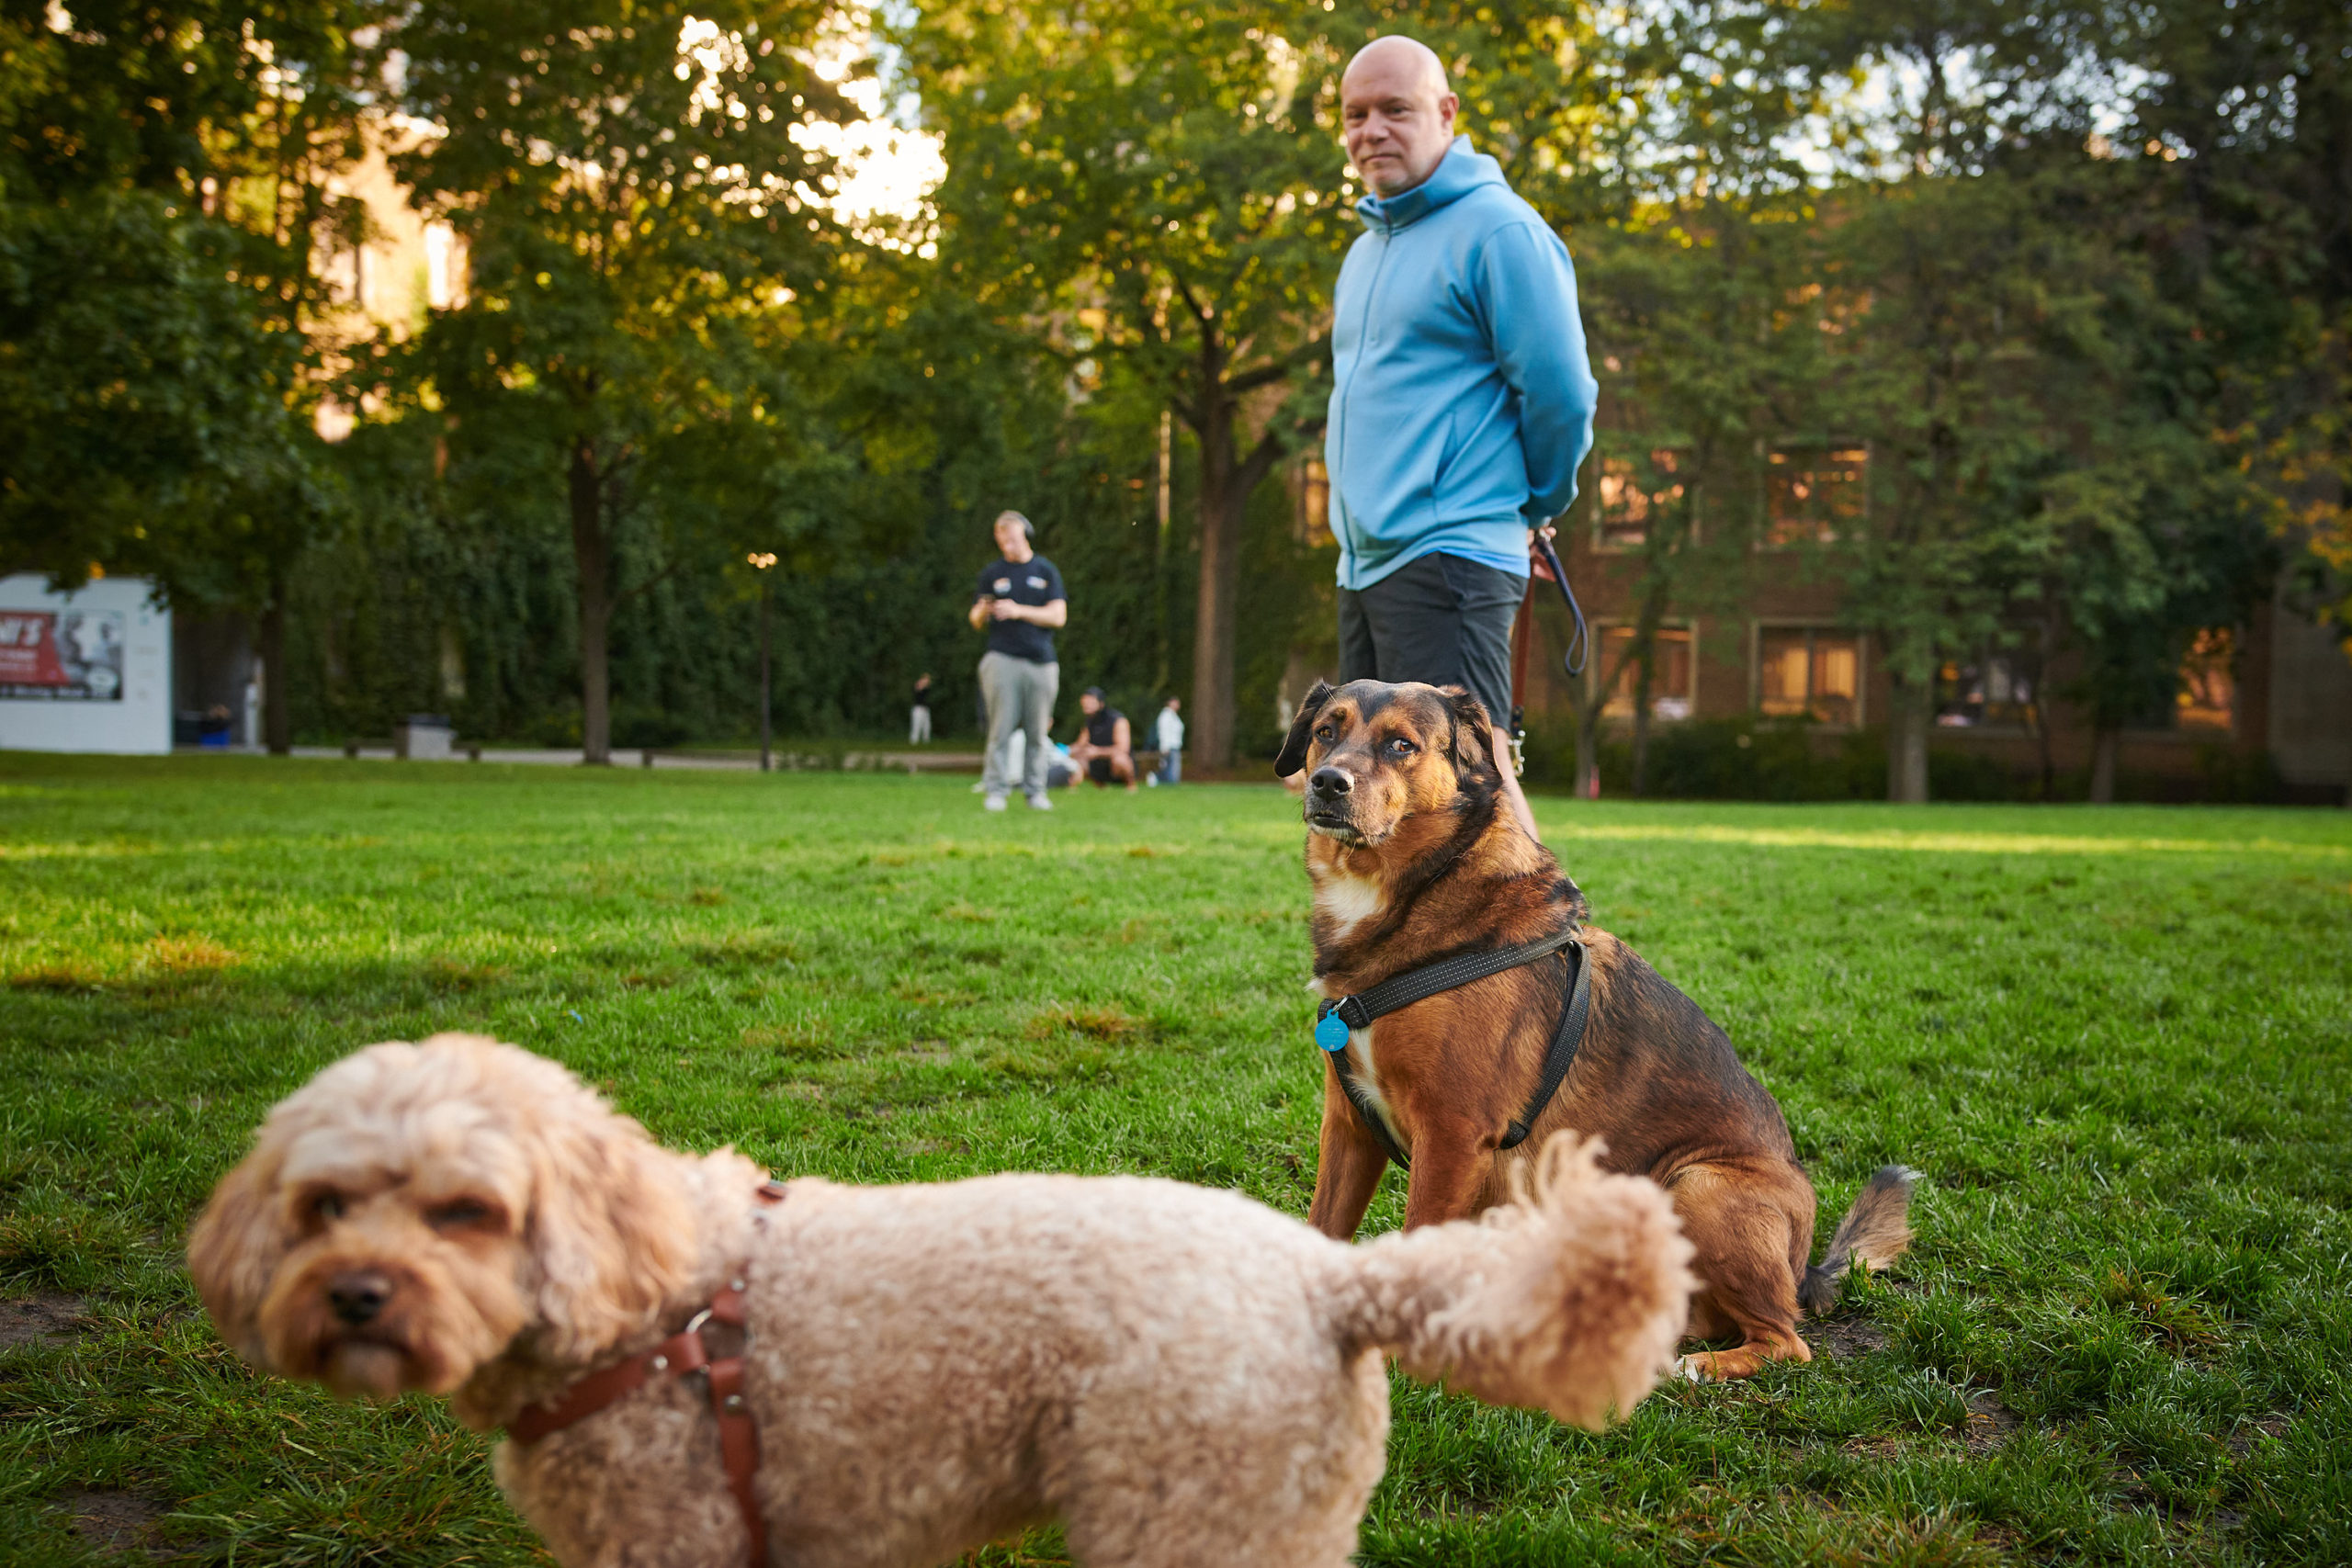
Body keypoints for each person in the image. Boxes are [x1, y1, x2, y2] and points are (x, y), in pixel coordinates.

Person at [1322, 34, 1599, 841]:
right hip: (1364, 558)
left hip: (1451, 551)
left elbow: (1560, 391)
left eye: (1394, 110)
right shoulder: (1364, 252)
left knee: (1475, 784)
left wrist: (1539, 502)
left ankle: (1546, 962)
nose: (1371, 129)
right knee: (1373, 793)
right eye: (1355, 114)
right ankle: (1397, 971)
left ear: (1446, 114)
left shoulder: (1500, 232)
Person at [968, 511, 1067, 811]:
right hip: (1002, 659)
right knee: (1001, 728)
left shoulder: (1046, 571)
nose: (1006, 544)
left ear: (1024, 533)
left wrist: (1019, 610)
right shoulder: (992, 573)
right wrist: (984, 611)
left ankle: (1035, 791)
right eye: (1000, 539)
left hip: (1041, 662)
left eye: (1010, 537)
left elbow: (1058, 616)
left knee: (1038, 732)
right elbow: (974, 619)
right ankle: (996, 790)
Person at [1066, 686, 1136, 792]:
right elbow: (1080, 745)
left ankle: (1131, 786)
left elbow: (1123, 748)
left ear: (1101, 703)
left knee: (1120, 759)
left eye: (1090, 701)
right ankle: (1095, 787)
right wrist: (1062, 751)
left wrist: (1098, 752)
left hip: (1114, 764)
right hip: (1097, 763)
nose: (1086, 704)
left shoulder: (1118, 720)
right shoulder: (1089, 722)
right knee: (1077, 761)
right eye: (1084, 701)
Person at [1148, 696, 1184, 785]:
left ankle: (1162, 781)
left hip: (1175, 746)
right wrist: (1164, 746)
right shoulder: (1166, 715)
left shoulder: (1173, 716)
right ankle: (1155, 778)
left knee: (1171, 769)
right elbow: (1163, 732)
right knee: (1168, 768)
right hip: (1169, 746)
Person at [909, 672, 933, 744]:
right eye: (926, 679)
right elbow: (916, 691)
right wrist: (919, 685)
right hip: (918, 709)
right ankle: (914, 742)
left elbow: (926, 692)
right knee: (916, 726)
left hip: (925, 709)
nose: (927, 681)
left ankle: (926, 742)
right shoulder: (917, 687)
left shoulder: (927, 689)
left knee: (927, 727)